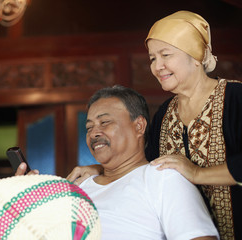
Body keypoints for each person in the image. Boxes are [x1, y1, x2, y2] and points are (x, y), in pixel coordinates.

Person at [66, 10, 242, 240]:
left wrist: (198, 173)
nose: (157, 66)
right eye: (152, 58)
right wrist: (100, 170)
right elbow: (145, 163)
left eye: (165, 55)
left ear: (195, 54)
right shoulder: (165, 115)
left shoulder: (236, 98)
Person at [18, 85, 219, 239]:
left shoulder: (163, 177)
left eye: (105, 122)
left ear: (139, 126)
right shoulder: (78, 186)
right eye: (89, 127)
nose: (94, 133)